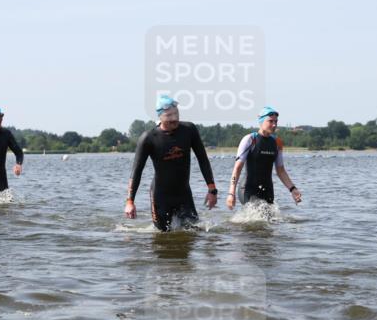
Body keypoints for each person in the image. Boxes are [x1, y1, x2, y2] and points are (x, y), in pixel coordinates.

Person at [125, 95, 217, 231]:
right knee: (162, 236)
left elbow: (203, 159)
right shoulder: (149, 138)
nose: (174, 118)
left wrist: (212, 190)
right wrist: (130, 201)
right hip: (160, 196)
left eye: (176, 114)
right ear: (160, 116)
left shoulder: (189, 130)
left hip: (184, 194)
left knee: (194, 231)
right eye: (169, 115)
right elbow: (136, 171)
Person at [226, 106, 302, 210]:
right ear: (261, 121)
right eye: (270, 121)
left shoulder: (277, 142)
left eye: (276, 121)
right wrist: (231, 193)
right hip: (248, 189)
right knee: (260, 213)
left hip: (267, 190)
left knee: (270, 221)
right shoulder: (250, 139)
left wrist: (293, 189)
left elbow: (281, 170)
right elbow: (237, 168)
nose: (274, 125)